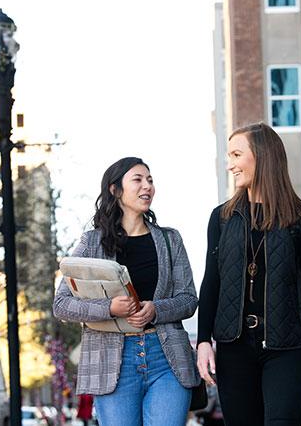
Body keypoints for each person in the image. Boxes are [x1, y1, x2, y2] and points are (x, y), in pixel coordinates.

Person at [197, 122, 301, 426]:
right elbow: (212, 281)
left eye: (237, 155)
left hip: (288, 348)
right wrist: (203, 341)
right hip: (234, 350)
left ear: (262, 156)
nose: (230, 165)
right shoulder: (222, 218)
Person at [53, 157, 200, 426]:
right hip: (112, 364)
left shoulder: (170, 239)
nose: (147, 186)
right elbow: (61, 303)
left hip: (166, 358)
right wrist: (109, 309)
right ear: (115, 190)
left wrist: (156, 309)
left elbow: (189, 299)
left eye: (150, 180)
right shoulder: (92, 242)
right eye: (138, 179)